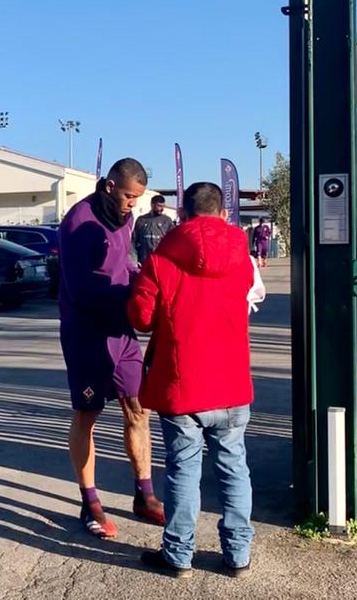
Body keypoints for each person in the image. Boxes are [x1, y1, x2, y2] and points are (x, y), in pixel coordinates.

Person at [128, 182, 256, 579]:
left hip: (182, 384)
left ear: (181, 214)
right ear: (223, 213)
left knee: (184, 470)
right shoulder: (242, 256)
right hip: (232, 383)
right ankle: (238, 555)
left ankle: (178, 555)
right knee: (234, 467)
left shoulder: (161, 260)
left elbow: (141, 319)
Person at [57, 158, 165, 539]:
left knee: (139, 407)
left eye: (137, 199)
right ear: (109, 186)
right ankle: (89, 502)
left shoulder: (126, 219)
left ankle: (144, 494)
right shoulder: (78, 223)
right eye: (128, 196)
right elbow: (80, 290)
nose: (133, 205)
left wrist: (145, 281)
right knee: (88, 413)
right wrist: (130, 295)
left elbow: (122, 267)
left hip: (120, 330)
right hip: (85, 332)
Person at [133, 195, 176, 265]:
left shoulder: (167, 221)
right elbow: (133, 241)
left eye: (163, 206)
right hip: (143, 261)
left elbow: (173, 241)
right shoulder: (141, 220)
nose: (162, 209)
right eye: (159, 206)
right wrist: (134, 260)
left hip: (161, 261)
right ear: (152, 205)